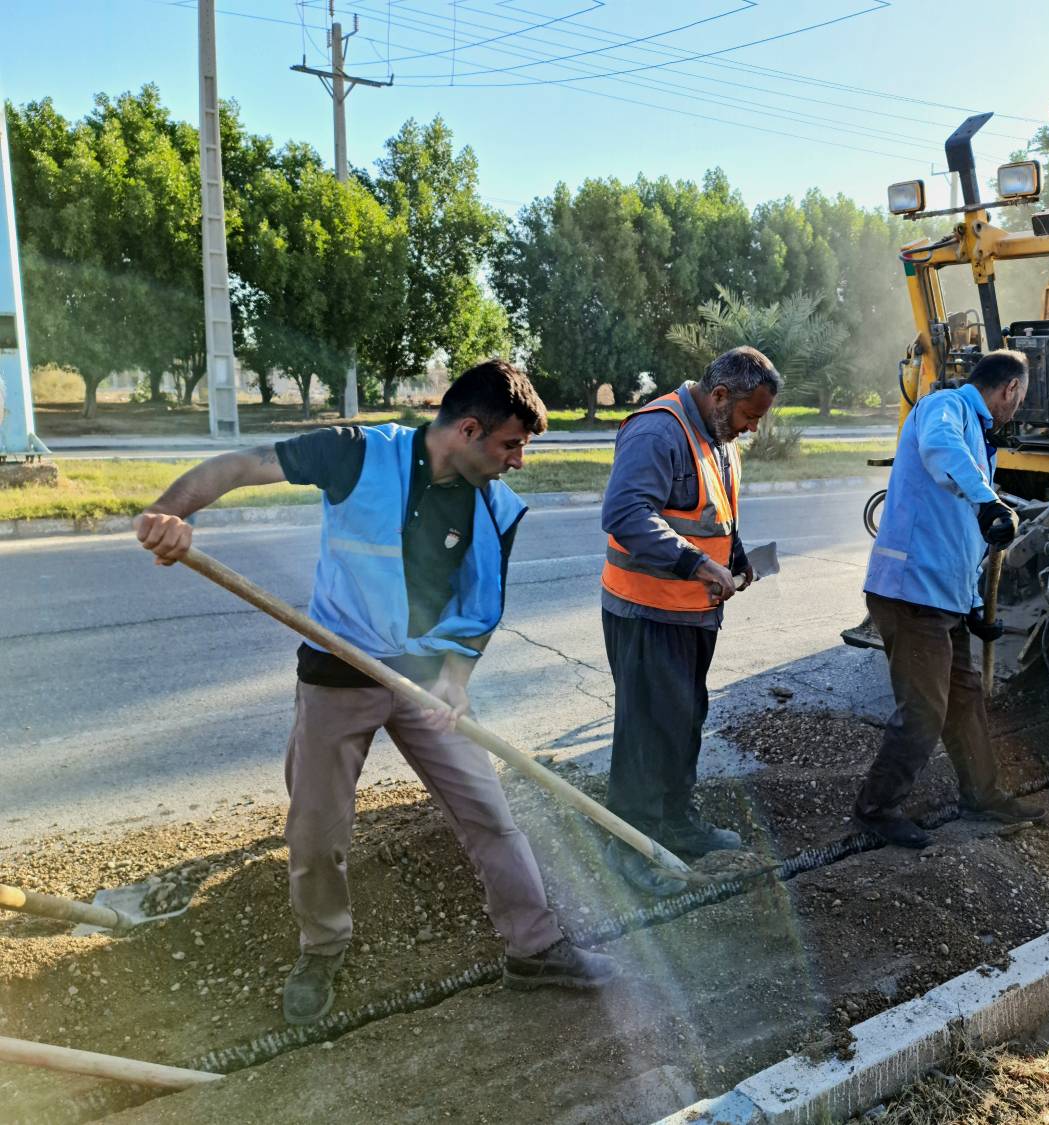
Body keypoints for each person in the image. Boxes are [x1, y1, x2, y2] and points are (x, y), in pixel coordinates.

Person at [134, 359, 618, 1025]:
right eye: (512, 445)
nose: (519, 462)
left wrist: (455, 676)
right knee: (316, 831)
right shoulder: (357, 454)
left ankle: (535, 947)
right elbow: (242, 465)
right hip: (337, 672)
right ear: (469, 430)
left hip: (424, 682)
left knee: (488, 812)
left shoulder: (489, 503)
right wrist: (169, 511)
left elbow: (479, 605)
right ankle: (323, 946)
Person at [599, 346, 780, 895]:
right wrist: (697, 563)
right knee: (646, 732)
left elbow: (715, 515)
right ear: (721, 396)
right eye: (749, 416)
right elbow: (626, 514)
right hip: (646, 612)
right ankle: (632, 846)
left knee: (683, 721)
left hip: (691, 616)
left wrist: (737, 556)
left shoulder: (718, 439)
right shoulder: (659, 432)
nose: (750, 429)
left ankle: (676, 823)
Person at [854, 350, 1045, 849]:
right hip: (911, 591)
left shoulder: (979, 438)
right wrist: (988, 502)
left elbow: (959, 533)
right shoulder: (945, 409)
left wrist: (975, 608)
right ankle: (876, 808)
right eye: (1018, 400)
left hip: (941, 596)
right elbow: (942, 451)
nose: (1016, 410)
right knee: (924, 710)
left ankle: (982, 795)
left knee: (964, 698)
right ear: (1010, 390)